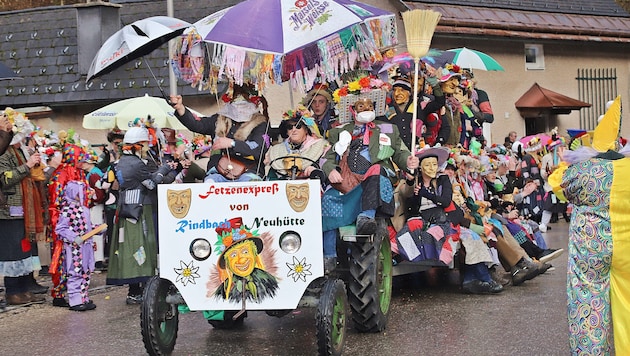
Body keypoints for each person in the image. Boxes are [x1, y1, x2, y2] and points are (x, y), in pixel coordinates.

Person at [549, 96, 629, 355]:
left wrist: (564, 161)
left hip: (591, 249)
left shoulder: (583, 170)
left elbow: (557, 186)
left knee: (588, 303)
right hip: (627, 248)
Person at [320, 96, 419, 270]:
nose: (366, 107)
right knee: (328, 198)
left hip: (375, 180)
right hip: (347, 180)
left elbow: (401, 154)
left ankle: (366, 217)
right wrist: (331, 170)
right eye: (361, 105)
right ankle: (329, 256)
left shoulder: (388, 129)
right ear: (353, 110)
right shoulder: (339, 131)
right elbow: (326, 158)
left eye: (369, 105)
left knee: (376, 170)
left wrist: (409, 163)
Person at [106, 127, 176, 304]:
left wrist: (166, 172)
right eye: (144, 143)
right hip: (139, 209)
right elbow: (151, 184)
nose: (147, 146)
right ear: (138, 145)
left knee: (131, 247)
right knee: (141, 246)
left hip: (127, 208)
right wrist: (165, 168)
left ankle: (136, 290)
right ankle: (139, 290)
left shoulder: (122, 161)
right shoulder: (136, 164)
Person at [170, 84, 270, 182]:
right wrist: (180, 108)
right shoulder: (219, 120)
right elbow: (197, 124)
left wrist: (232, 143)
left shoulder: (260, 124)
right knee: (210, 182)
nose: (239, 110)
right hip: (218, 171)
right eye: (236, 106)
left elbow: (259, 149)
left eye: (243, 106)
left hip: (249, 171)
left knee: (250, 183)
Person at [0, 114, 47, 305]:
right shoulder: (4, 153)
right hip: (9, 209)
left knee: (24, 250)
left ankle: (24, 288)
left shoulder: (20, 152)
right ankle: (12, 291)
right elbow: (5, 179)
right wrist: (27, 167)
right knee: (13, 252)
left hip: (24, 209)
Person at [54, 180, 96, 311]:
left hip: (87, 247)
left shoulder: (84, 210)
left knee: (86, 272)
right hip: (74, 248)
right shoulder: (67, 210)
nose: (83, 194)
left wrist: (98, 229)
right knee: (75, 272)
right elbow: (60, 229)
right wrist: (74, 238)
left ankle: (84, 298)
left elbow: (88, 228)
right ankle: (75, 300)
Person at [265, 105, 328, 181]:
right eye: (289, 127)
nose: (294, 130)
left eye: (298, 126)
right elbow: (272, 178)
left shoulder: (320, 146)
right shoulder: (276, 150)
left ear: (306, 130)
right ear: (287, 132)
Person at [385, 71, 444, 150]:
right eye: (395, 90)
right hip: (395, 154)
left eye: (402, 90)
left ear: (409, 92)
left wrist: (434, 84)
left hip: (415, 152)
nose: (396, 93)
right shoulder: (388, 109)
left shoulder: (420, 106)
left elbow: (440, 102)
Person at [79, 152, 107, 269]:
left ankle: (98, 260)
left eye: (85, 162)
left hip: (95, 206)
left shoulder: (94, 174)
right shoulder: (93, 173)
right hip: (95, 206)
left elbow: (99, 193)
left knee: (96, 232)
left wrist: (91, 201)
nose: (82, 164)